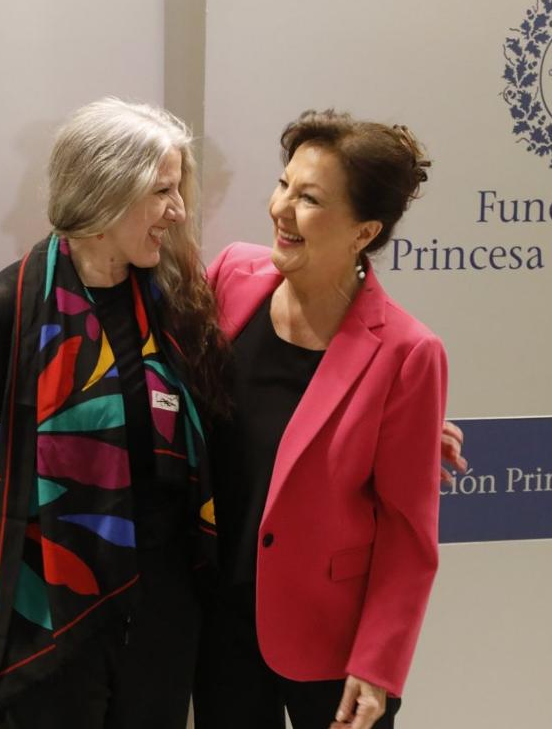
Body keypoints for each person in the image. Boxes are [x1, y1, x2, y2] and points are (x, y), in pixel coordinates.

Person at [0, 97, 227, 728]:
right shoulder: (6, 313)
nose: (179, 211)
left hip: (162, 617)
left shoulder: (173, 301)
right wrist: (36, 489)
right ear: (107, 193)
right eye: (162, 191)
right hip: (54, 618)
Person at [193, 109, 447, 729]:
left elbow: (408, 534)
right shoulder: (230, 276)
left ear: (364, 231)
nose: (281, 208)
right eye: (284, 185)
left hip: (331, 647)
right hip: (219, 626)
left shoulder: (408, 354)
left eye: (308, 199)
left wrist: (378, 662)